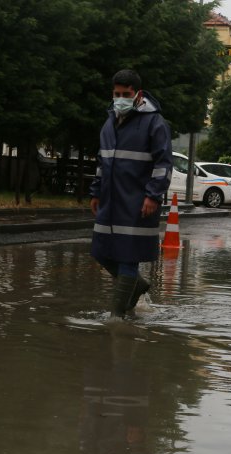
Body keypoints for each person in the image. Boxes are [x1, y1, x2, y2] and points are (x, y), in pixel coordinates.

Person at [89, 69, 172, 318]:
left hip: (137, 202)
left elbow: (163, 164)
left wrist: (152, 196)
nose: (120, 98)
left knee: (128, 258)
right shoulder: (109, 122)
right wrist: (96, 191)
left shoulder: (154, 123)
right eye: (117, 94)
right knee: (100, 252)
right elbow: (102, 161)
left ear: (138, 95)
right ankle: (138, 286)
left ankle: (117, 316)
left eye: (126, 94)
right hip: (110, 201)